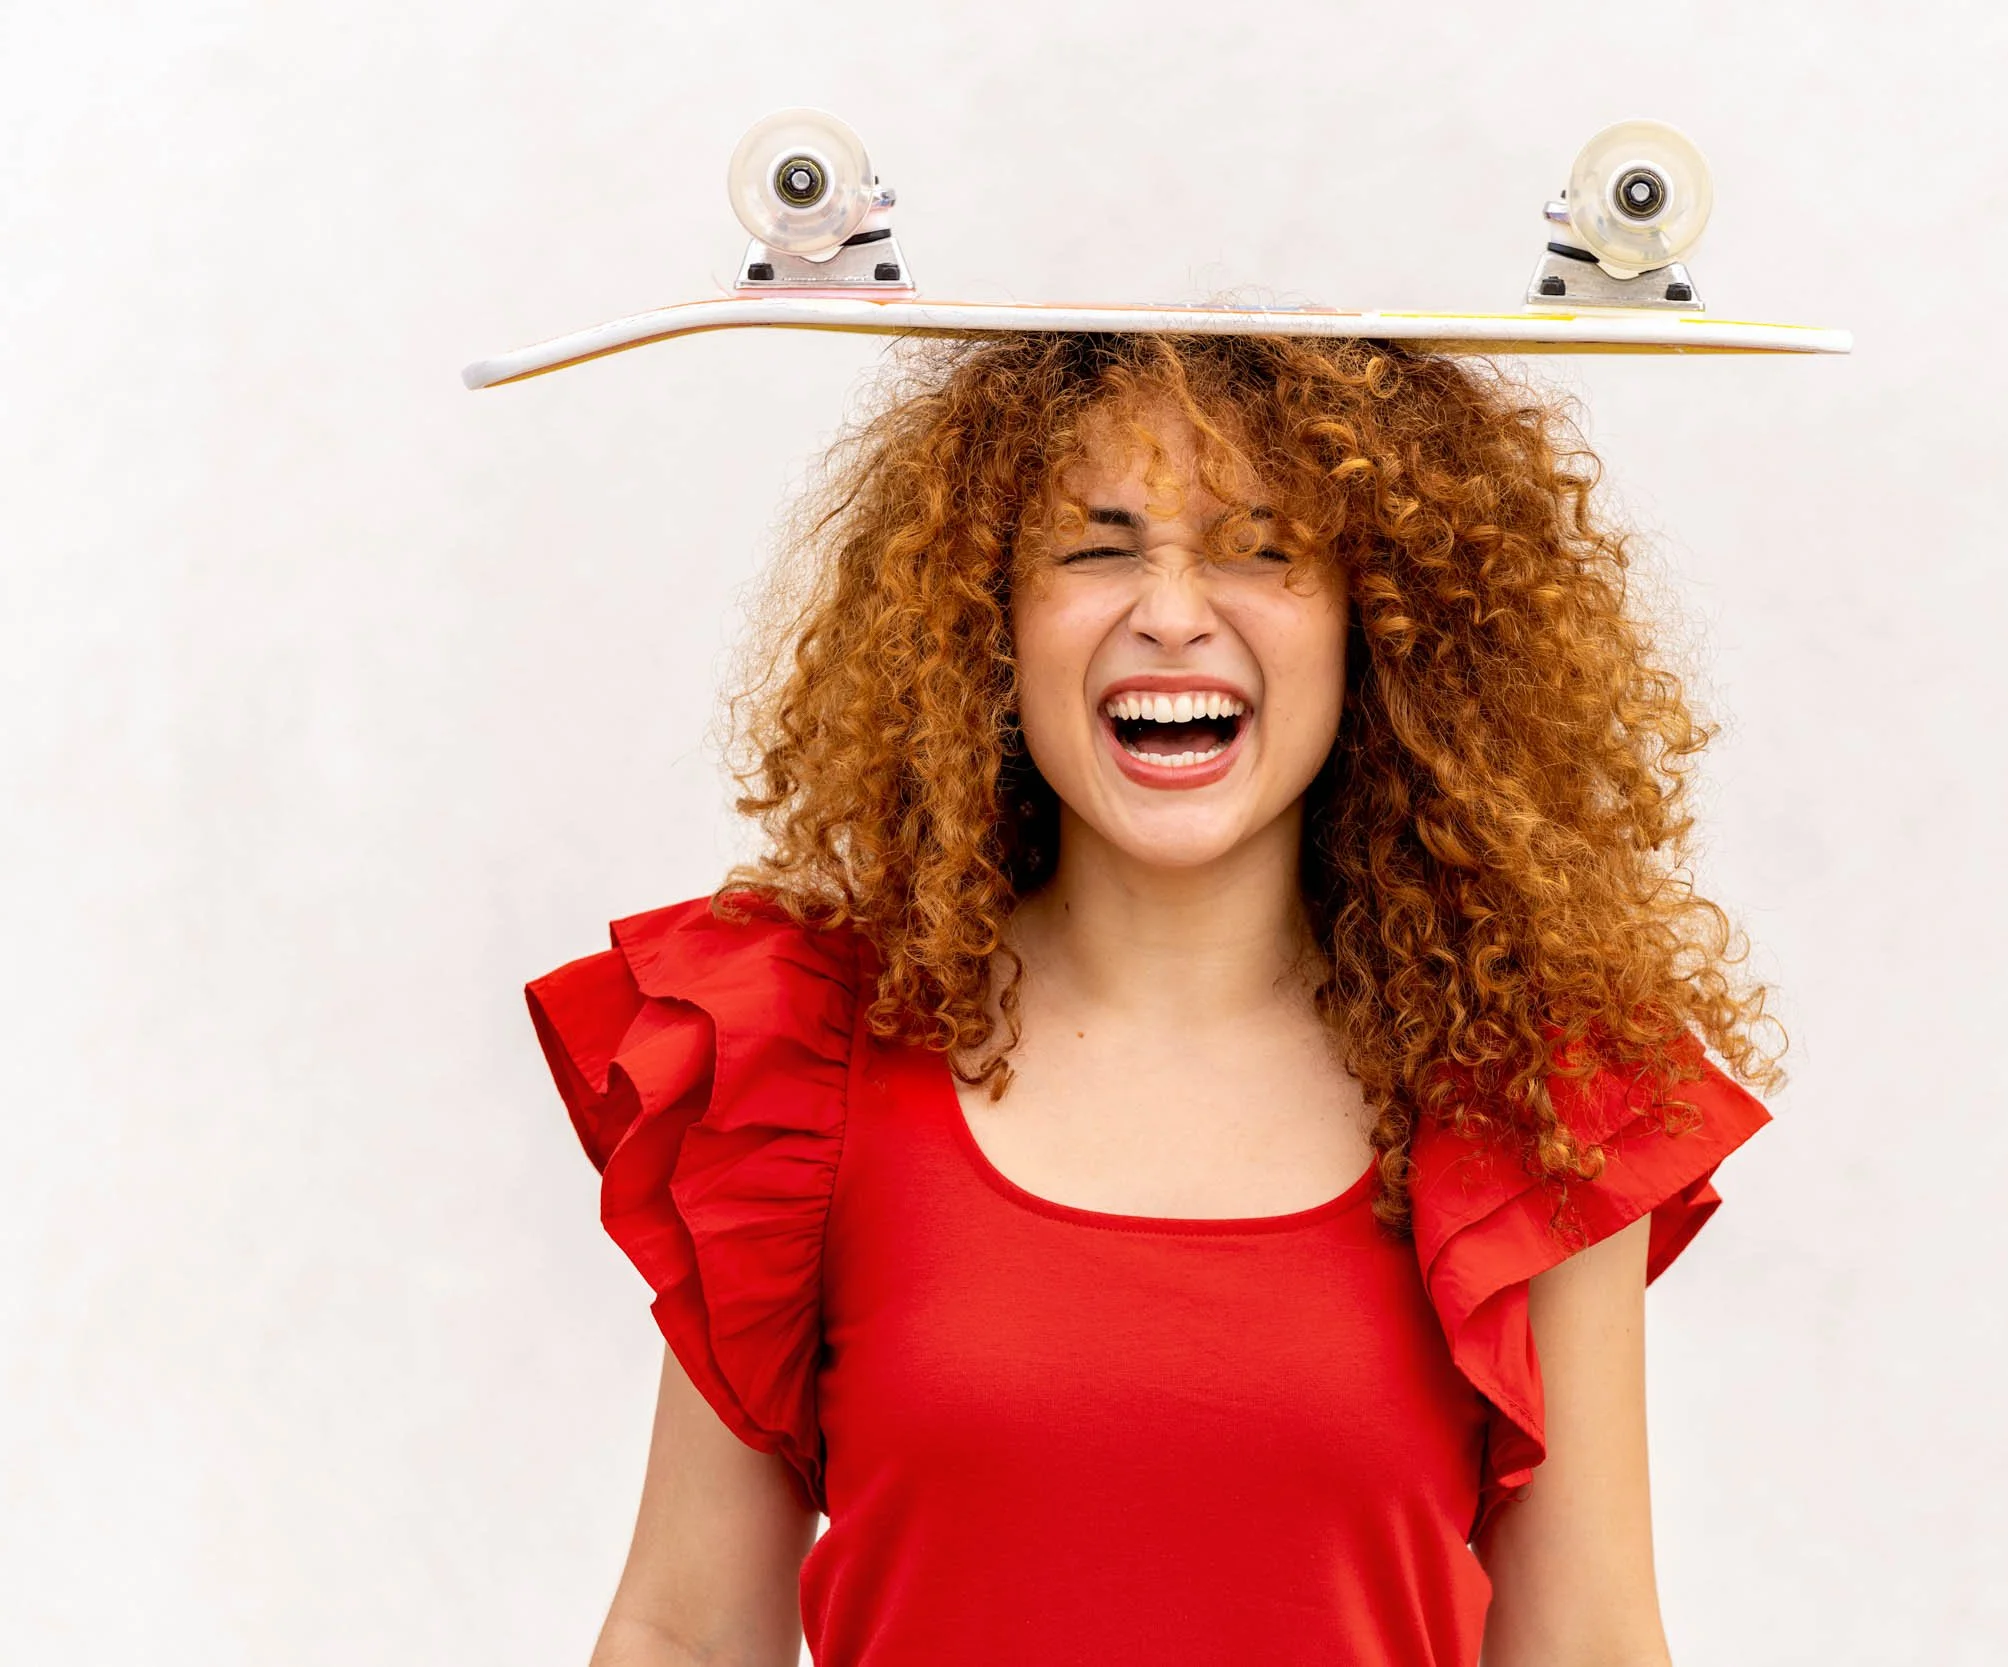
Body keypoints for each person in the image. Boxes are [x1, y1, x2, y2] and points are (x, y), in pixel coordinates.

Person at [524, 330, 1783, 1667]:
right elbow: (684, 1631)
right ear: (985, 616)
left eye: (1260, 545)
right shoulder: (793, 1053)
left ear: (1383, 622)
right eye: (1096, 546)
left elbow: (1587, 1643)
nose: (1174, 612)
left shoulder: (1531, 1092)